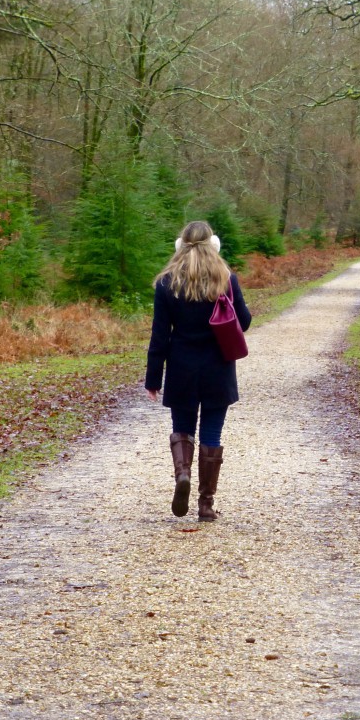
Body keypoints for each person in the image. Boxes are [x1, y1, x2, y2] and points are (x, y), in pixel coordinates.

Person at [144, 221, 251, 521]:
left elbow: (159, 336)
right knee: (212, 432)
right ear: (213, 244)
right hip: (218, 368)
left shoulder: (167, 282)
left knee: (182, 429)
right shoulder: (225, 279)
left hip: (181, 368)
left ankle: (183, 476)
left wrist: (153, 378)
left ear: (180, 245)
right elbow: (243, 322)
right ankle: (206, 504)